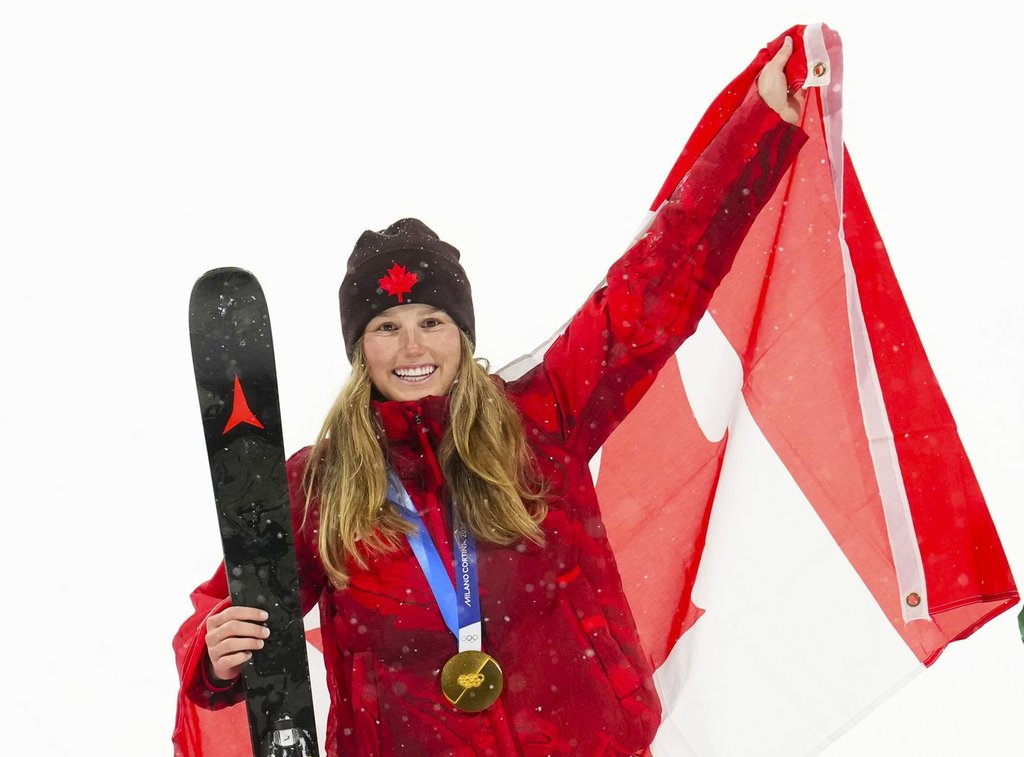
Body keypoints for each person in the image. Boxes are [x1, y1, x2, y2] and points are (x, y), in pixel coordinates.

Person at [174, 39, 807, 757]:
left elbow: (653, 289)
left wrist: (762, 128)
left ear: (462, 331)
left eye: (432, 322)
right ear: (360, 348)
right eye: (387, 327)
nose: (412, 349)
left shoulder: (541, 418)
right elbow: (223, 604)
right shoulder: (322, 485)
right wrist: (211, 650)